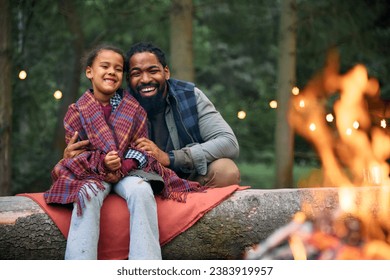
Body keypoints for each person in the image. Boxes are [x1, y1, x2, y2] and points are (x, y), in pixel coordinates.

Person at [44, 44, 204, 260]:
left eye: (118, 69)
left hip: (127, 171)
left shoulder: (134, 108)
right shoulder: (77, 112)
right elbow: (77, 154)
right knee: (86, 195)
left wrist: (123, 165)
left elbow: (141, 147)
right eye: (105, 66)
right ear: (89, 72)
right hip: (93, 174)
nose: (112, 72)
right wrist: (102, 164)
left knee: (142, 191)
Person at [65, 41, 240, 187]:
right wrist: (70, 158)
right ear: (128, 80)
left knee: (226, 170)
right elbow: (97, 144)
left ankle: (198, 224)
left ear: (166, 72)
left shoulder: (189, 96)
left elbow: (229, 143)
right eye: (136, 73)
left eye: (153, 71)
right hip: (139, 180)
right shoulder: (119, 104)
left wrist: (170, 158)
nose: (146, 79)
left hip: (187, 178)